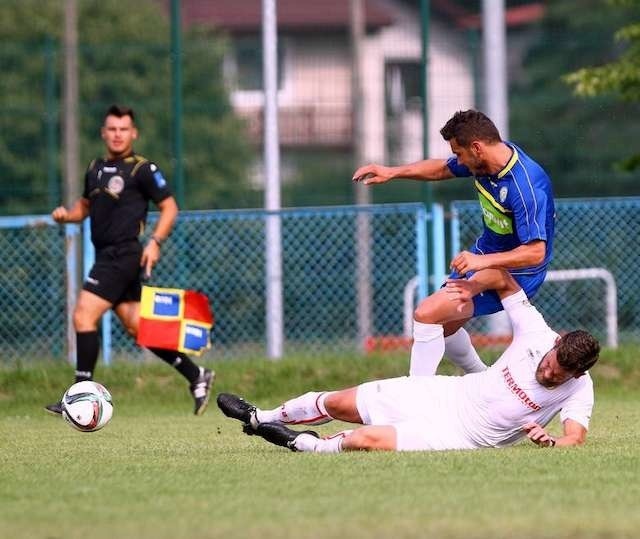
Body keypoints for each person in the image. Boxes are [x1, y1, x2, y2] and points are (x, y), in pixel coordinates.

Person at [217, 270, 600, 453]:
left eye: (558, 375)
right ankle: (260, 418)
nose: (548, 372)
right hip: (443, 395)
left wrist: (551, 442)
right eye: (550, 362)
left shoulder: (579, 389)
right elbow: (501, 277)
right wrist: (472, 284)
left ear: (578, 373)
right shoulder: (537, 330)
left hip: (456, 437)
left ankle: (303, 445)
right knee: (337, 403)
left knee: (363, 439)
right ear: (557, 342)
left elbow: (575, 437)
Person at [352, 109, 555, 376]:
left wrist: (482, 261)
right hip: (484, 257)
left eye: (459, 153)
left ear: (477, 147)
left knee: (427, 315)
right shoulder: (486, 162)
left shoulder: (526, 186)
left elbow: (536, 252)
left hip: (516, 272)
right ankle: (483, 380)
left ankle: (414, 397)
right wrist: (392, 172)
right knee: (442, 329)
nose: (458, 160)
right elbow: (441, 168)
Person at [45, 104, 214, 416]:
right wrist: (66, 216)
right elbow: (84, 207)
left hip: (122, 254)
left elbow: (170, 207)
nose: (118, 135)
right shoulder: (95, 168)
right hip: (107, 255)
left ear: (133, 133)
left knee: (83, 316)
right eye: (112, 129)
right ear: (103, 133)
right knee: (139, 328)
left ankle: (80, 393)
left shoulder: (142, 169)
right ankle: (196, 375)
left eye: (124, 129)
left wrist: (155, 243)